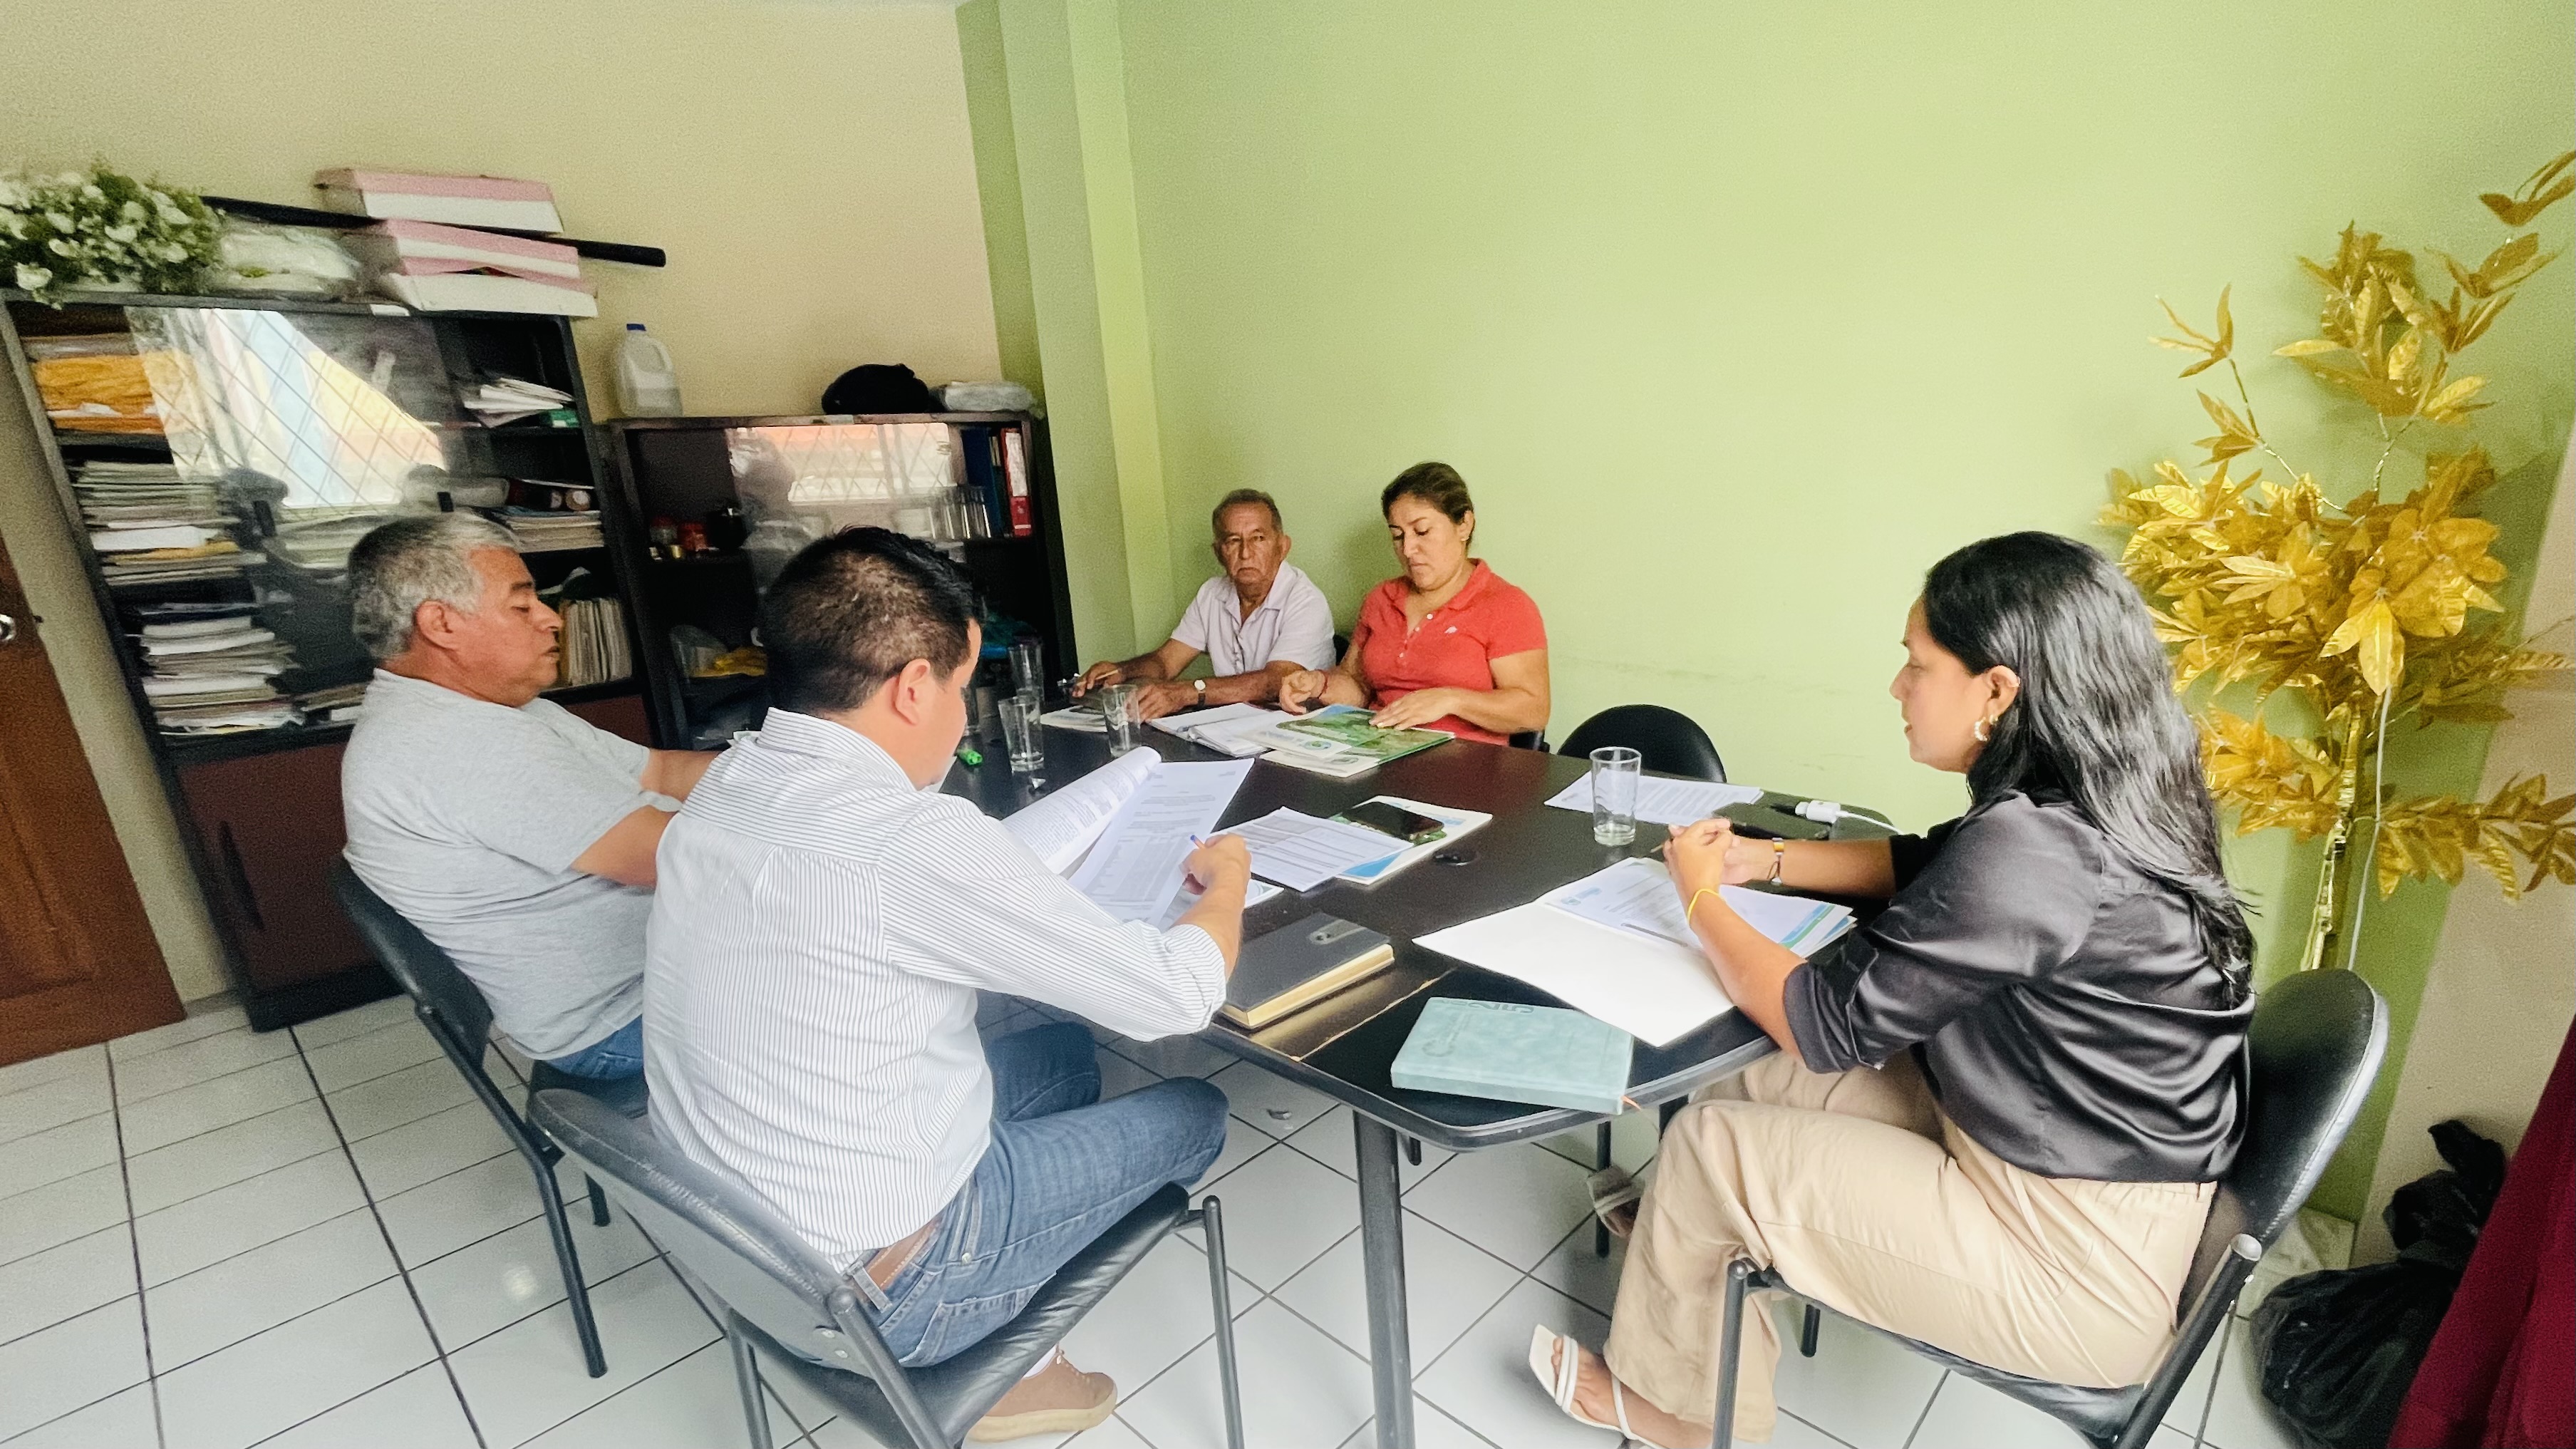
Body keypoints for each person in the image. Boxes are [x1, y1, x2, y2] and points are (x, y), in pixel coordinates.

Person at [1531, 532, 2255, 1446]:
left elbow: (1819, 1021)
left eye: (1917, 664)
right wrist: (1764, 858)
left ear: (1997, 690)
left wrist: (1702, 896)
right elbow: (1928, 862)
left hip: (2074, 1262)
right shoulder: (2113, 789)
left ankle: (1679, 1413)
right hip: (2058, 1153)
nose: (1897, 686)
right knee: (1742, 1076)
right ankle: (1691, 1258)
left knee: (1718, 1143)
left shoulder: (2038, 849)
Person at [644, 527, 1249, 1441]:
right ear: (913, 686)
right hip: (882, 1287)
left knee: (1062, 1052)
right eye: (965, 687)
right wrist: (1227, 881)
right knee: (1196, 1108)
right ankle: (1004, 1352)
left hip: (742, 1249)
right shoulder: (907, 839)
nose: (964, 715)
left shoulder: (725, 785)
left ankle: (1004, 1276)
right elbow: (1174, 994)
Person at [340, 513, 713, 1082]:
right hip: (629, 1017)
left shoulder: (502, 710)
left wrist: (802, 770)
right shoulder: (453, 741)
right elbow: (670, 857)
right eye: (522, 605)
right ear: (441, 623)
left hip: (675, 964)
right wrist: (821, 805)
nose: (551, 618)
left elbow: (663, 771)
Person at [1274, 461, 1548, 744]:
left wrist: (1451, 700)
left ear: (1464, 525)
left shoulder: (1505, 605)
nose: (1407, 549)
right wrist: (1318, 684)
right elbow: (1357, 686)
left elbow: (1533, 711)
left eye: (1422, 531)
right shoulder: (1381, 599)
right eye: (1397, 535)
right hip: (1376, 749)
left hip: (1464, 760)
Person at [1073, 488, 1336, 721]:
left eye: (1258, 539)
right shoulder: (1212, 593)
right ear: (1219, 553)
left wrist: (1186, 692)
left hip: (1298, 732)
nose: (1245, 553)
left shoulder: (1306, 600)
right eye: (1233, 541)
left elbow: (1276, 681)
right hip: (1231, 730)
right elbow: (1166, 661)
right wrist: (1121, 671)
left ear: (1282, 547)